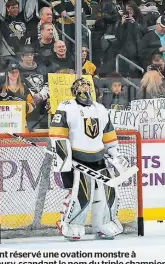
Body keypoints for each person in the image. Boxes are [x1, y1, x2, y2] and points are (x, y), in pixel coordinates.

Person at [49, 78, 128, 241]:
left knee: (108, 193)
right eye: (81, 86)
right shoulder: (66, 106)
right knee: (80, 194)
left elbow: (108, 136)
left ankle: (104, 224)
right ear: (75, 90)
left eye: (87, 86)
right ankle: (72, 224)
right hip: (77, 159)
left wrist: (115, 154)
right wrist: (63, 156)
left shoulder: (100, 109)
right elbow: (58, 133)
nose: (85, 89)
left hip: (99, 158)